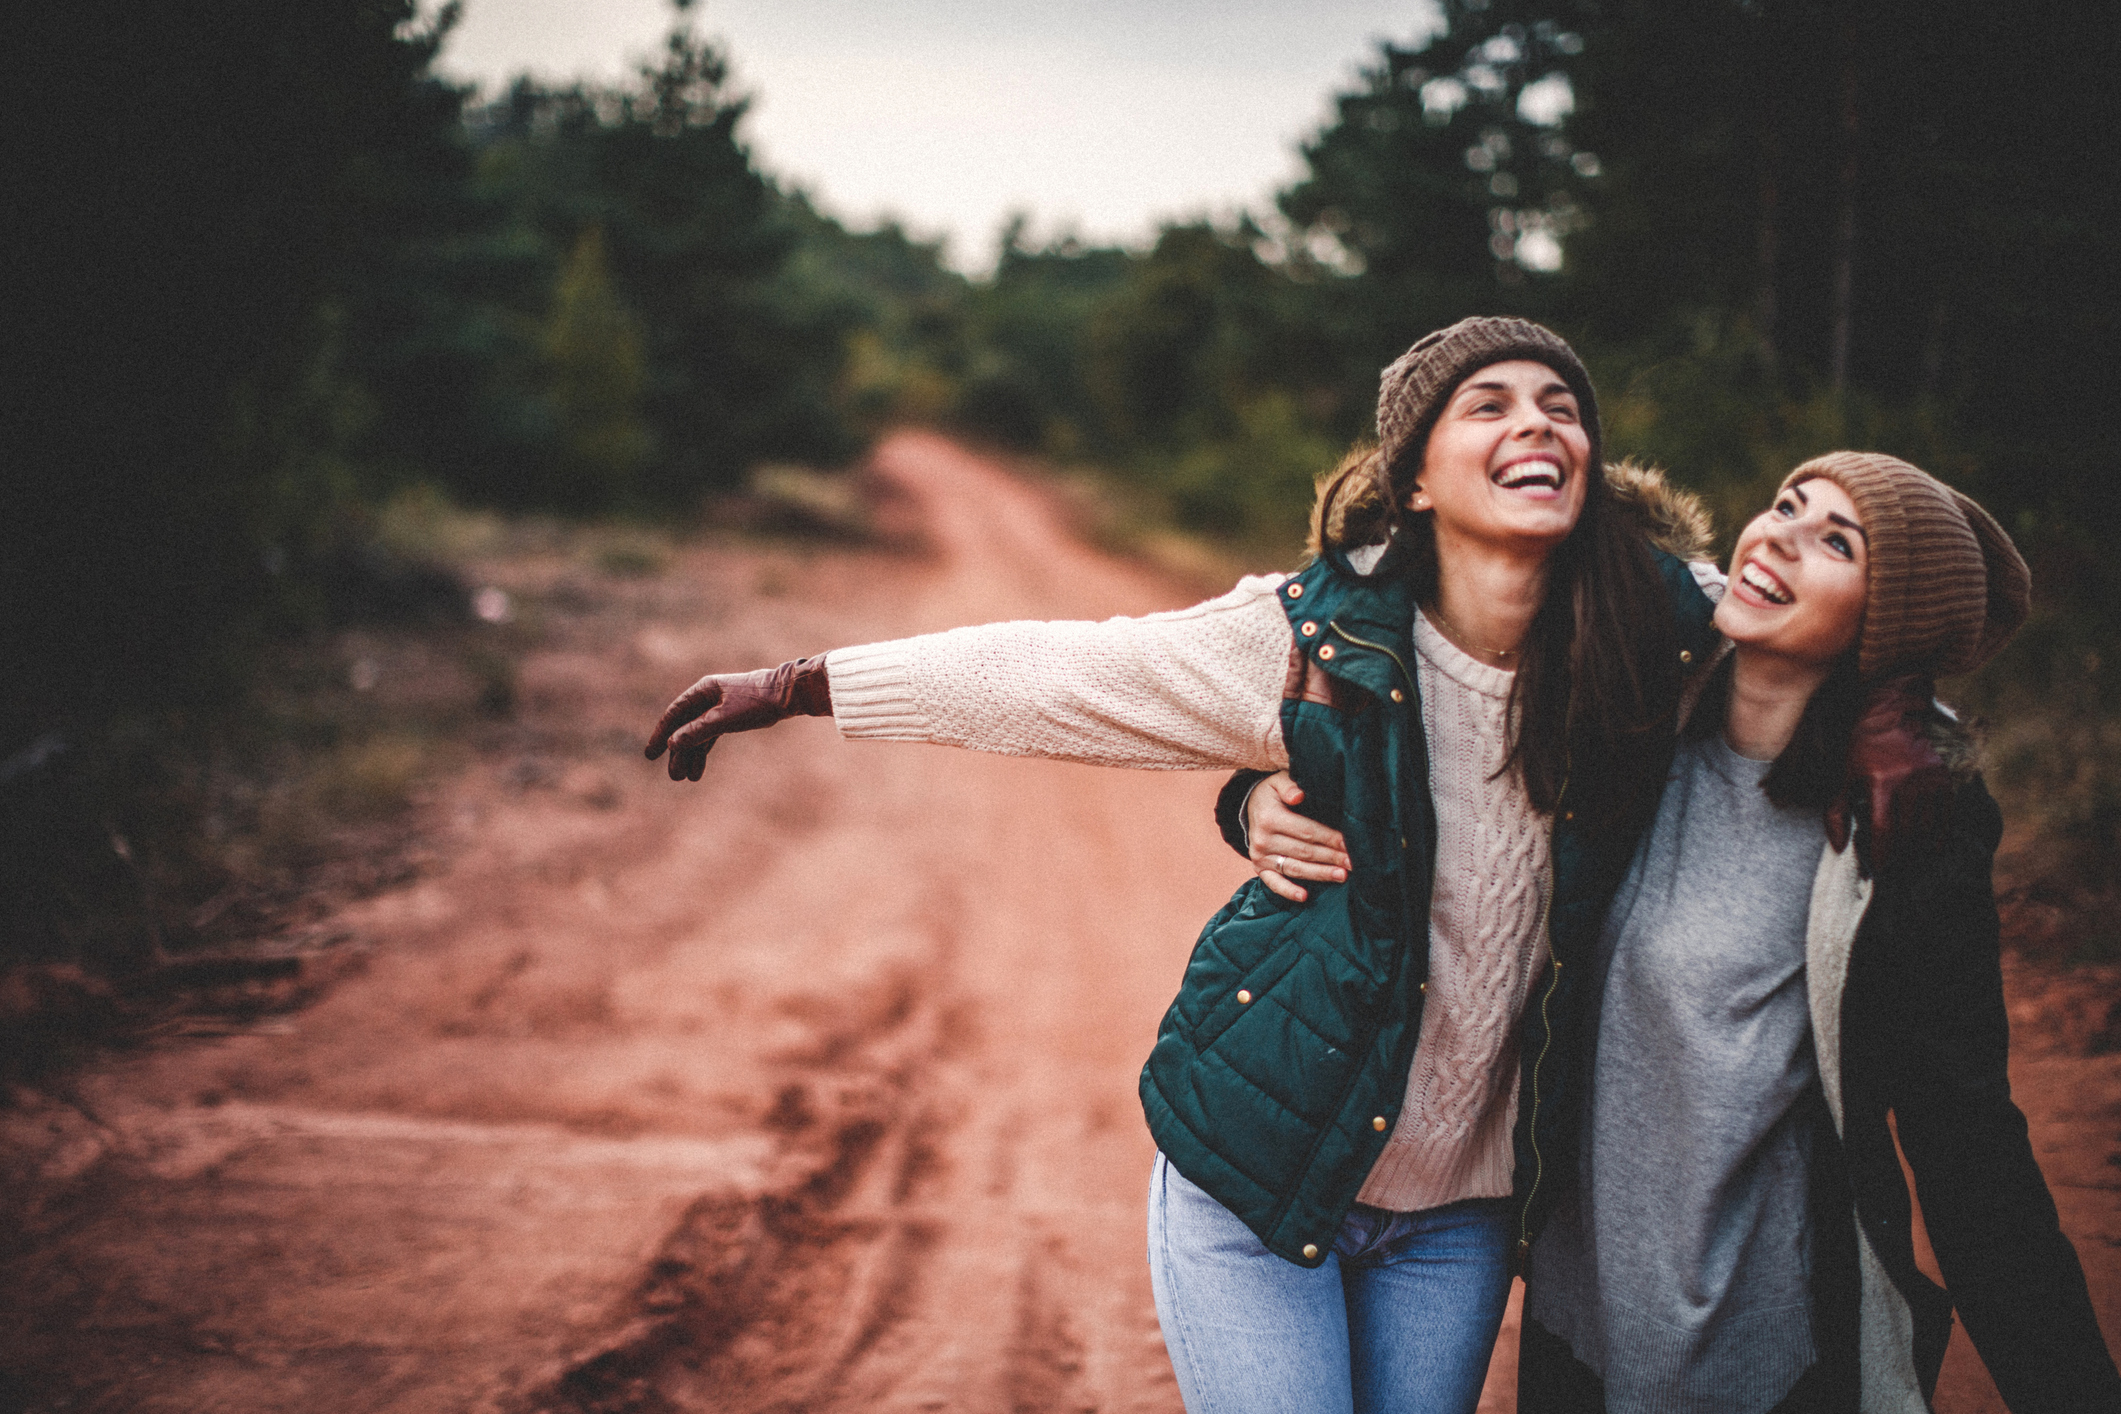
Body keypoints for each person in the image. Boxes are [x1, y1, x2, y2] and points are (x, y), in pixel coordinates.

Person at [643, 317, 1723, 1414]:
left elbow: (1832, 635)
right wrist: (796, 683)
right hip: (1258, 1169)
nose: (1535, 422)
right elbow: (1068, 673)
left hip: (1460, 1215)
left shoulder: (1665, 643)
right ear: (1413, 486)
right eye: (1488, 405)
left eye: (1562, 405)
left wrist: (1887, 721)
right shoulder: (1315, 638)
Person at [1240, 453, 2121, 1412]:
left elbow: (1965, 1138)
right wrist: (1251, 804)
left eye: (1836, 543)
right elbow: (1421, 772)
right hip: (1578, 1333)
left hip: (1763, 1354)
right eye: (1787, 503)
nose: (1779, 533)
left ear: (1888, 626)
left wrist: (2070, 1390)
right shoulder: (1621, 720)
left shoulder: (1892, 827)